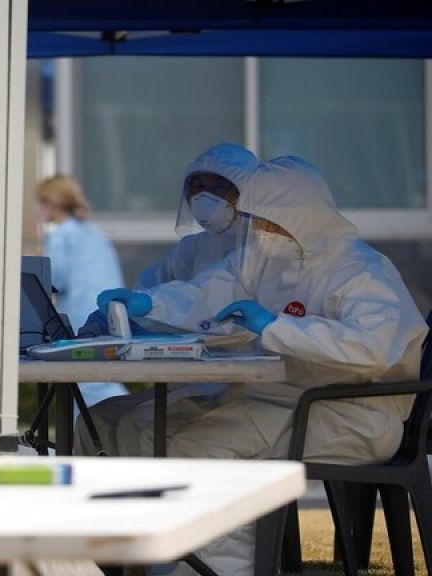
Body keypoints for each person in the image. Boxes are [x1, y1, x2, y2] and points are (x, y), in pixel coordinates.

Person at [93, 153, 428, 575]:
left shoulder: (361, 271)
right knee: (151, 436)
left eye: (268, 219)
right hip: (281, 400)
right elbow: (211, 290)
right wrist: (151, 302)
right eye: (257, 218)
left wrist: (276, 327)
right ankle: (159, 561)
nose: (259, 229)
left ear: (299, 214)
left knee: (198, 449)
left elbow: (372, 348)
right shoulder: (268, 256)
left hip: (353, 414)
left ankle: (219, 570)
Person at [76, 143, 258, 455]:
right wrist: (116, 317)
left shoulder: (264, 249)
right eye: (197, 187)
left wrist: (151, 306)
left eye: (219, 187)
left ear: (249, 192)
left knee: (138, 427)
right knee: (92, 421)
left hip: (243, 387)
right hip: (191, 381)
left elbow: (205, 298)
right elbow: (156, 287)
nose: (204, 196)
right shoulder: (194, 248)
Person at [35, 175, 127, 406]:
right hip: (111, 315)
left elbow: (55, 279)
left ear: (50, 203)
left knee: (88, 384)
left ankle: (128, 419)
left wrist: (34, 269)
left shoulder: (60, 235)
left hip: (81, 319)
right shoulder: (94, 232)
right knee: (100, 379)